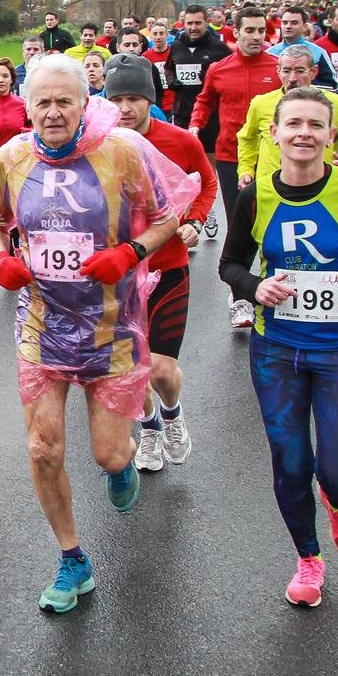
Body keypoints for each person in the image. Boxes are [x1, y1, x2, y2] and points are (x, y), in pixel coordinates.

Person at [0, 54, 181, 614]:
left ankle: (123, 464)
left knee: (111, 455)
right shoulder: (10, 159)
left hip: (112, 329)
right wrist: (1, 260)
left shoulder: (123, 150)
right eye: (41, 102)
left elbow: (170, 215)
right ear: (27, 106)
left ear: (84, 102)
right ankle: (73, 561)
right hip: (41, 328)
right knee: (43, 448)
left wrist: (130, 252)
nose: (52, 112)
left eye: (63, 101)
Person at [219, 87, 338, 608]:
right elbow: (229, 263)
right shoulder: (255, 196)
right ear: (274, 133)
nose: (303, 134)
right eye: (293, 124)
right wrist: (254, 288)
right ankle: (308, 558)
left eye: (315, 126)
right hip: (277, 350)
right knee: (290, 459)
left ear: (330, 136)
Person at [105, 54, 217, 473]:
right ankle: (149, 428)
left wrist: (195, 221)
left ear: (151, 100)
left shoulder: (179, 141)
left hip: (168, 266)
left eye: (134, 98)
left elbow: (207, 182)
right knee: (134, 366)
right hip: (122, 275)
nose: (125, 109)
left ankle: (171, 414)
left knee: (162, 368)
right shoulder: (100, 143)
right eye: (117, 99)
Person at [188, 6, 281, 329]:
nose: (256, 37)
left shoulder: (277, 67)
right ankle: (239, 297)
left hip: (272, 158)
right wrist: (196, 125)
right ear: (235, 32)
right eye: (250, 31)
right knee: (241, 225)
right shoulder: (220, 69)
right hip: (230, 157)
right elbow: (205, 100)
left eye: (261, 31)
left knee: (271, 225)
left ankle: (271, 289)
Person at [237, 45, 338, 186]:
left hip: (322, 187)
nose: (292, 78)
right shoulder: (261, 103)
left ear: (313, 72)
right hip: (270, 188)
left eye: (300, 71)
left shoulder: (335, 104)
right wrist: (246, 170)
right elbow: (247, 139)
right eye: (287, 71)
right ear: (278, 71)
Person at [166, 3, 229, 163]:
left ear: (206, 23)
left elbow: (230, 77)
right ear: (184, 24)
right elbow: (169, 69)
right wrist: (171, 81)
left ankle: (210, 187)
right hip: (182, 111)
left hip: (209, 114)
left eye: (198, 23)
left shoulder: (219, 48)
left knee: (208, 159)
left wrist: (211, 78)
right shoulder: (176, 46)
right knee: (184, 157)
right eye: (189, 23)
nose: (193, 27)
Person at [268, 6, 338, 93]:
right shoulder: (270, 53)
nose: (288, 26)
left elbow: (335, 87)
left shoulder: (318, 52)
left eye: (294, 23)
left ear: (304, 26)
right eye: (285, 23)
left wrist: (304, 87)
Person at [143, 22, 175, 118]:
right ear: (151, 36)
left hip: (174, 103)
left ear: (167, 35)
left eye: (161, 33)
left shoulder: (175, 53)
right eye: (155, 34)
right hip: (155, 104)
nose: (158, 37)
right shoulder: (145, 57)